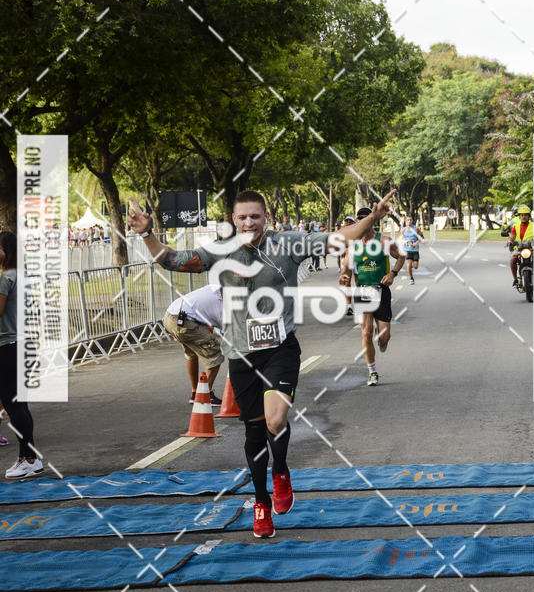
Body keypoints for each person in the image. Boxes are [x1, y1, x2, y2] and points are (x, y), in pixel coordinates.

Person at [127, 188, 395, 538]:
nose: (249, 222)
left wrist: (372, 218)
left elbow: (336, 239)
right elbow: (174, 259)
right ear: (233, 221)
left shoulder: (288, 244)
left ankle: (281, 470)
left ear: (266, 217)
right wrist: (147, 233)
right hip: (241, 354)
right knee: (254, 433)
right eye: (242, 217)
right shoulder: (219, 252)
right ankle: (261, 502)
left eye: (256, 215)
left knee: (275, 417)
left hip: (280, 348)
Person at [339, 207, 404, 387]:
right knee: (366, 332)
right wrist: (344, 277)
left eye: (365, 219)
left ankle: (382, 338)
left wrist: (393, 274)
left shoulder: (383, 240)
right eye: (360, 219)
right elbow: (346, 270)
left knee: (384, 337)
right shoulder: (353, 246)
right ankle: (372, 372)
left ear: (372, 221)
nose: (362, 222)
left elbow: (401, 256)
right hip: (363, 291)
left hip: (381, 290)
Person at [0, 231, 44, 478]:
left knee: (13, 404)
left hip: (8, 346)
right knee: (19, 404)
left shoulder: (6, 277)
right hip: (22, 344)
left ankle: (28, 458)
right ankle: (27, 457)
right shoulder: (21, 275)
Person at [163, 285, 224, 406]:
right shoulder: (225, 306)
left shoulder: (214, 287)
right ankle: (205, 395)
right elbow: (228, 333)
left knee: (191, 353)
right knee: (215, 353)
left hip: (170, 315)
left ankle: (195, 392)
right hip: (184, 321)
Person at [508, 205, 534, 286]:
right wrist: (509, 241)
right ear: (519, 216)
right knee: (513, 259)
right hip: (519, 248)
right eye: (522, 215)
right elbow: (512, 236)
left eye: (525, 215)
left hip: (532, 248)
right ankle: (515, 279)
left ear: (529, 216)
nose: (523, 217)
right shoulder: (516, 226)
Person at [402, 216, 425, 285]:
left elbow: (422, 237)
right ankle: (411, 278)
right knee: (408, 264)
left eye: (410, 220)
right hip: (407, 250)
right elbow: (402, 238)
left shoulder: (416, 229)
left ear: (412, 221)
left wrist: (417, 242)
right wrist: (407, 242)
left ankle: (413, 264)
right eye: (407, 220)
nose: (409, 221)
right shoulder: (403, 230)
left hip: (415, 250)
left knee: (415, 266)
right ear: (405, 222)